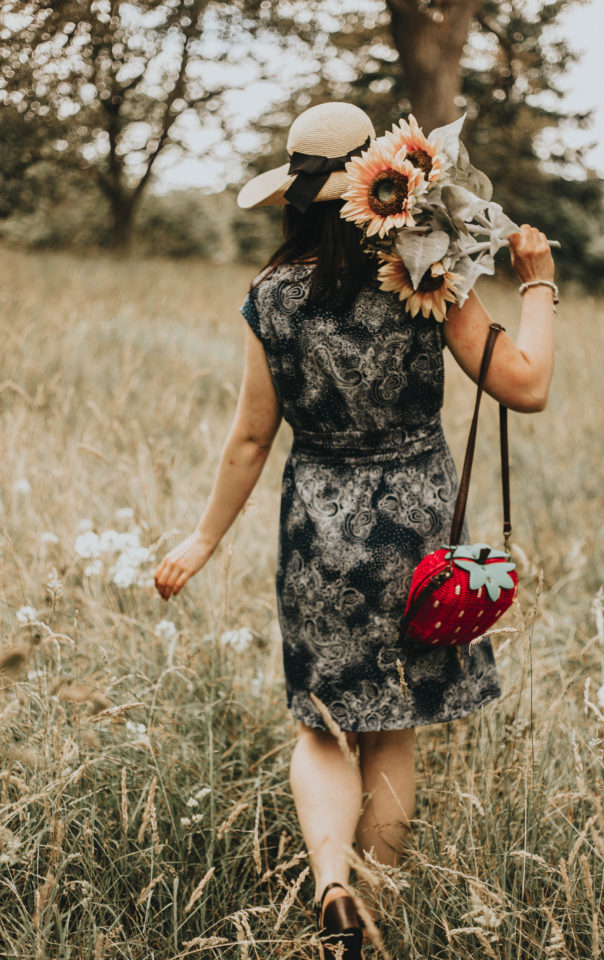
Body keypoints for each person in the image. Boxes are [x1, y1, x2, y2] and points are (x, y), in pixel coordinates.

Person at [154, 101, 556, 960]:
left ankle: (332, 882)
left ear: (296, 200)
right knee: (391, 726)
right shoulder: (428, 276)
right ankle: (369, 918)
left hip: (317, 532)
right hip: (413, 524)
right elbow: (525, 385)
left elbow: (253, 437)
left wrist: (201, 540)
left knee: (323, 726)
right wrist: (538, 283)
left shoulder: (272, 297)